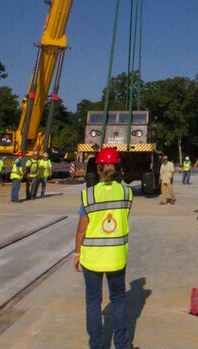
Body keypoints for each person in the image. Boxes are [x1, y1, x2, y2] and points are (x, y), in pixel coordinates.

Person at [75, 146, 138, 349]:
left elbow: (81, 230)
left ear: (98, 167)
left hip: (91, 258)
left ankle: (96, 346)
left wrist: (77, 252)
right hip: (116, 257)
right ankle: (122, 345)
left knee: (93, 302)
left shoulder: (88, 195)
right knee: (118, 299)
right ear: (118, 167)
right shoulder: (127, 193)